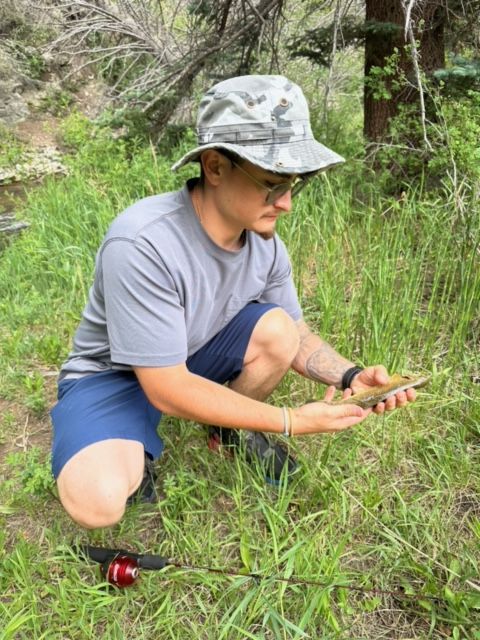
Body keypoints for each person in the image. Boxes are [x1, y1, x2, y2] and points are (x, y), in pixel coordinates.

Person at [50, 75, 416, 530]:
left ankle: (228, 431)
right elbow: (166, 387)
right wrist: (290, 421)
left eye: (293, 185)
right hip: (114, 377)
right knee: (99, 502)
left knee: (278, 329)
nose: (286, 204)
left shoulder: (265, 244)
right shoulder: (143, 242)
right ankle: (128, 446)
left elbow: (296, 335)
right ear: (215, 167)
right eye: (272, 184)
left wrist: (350, 375)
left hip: (187, 358)